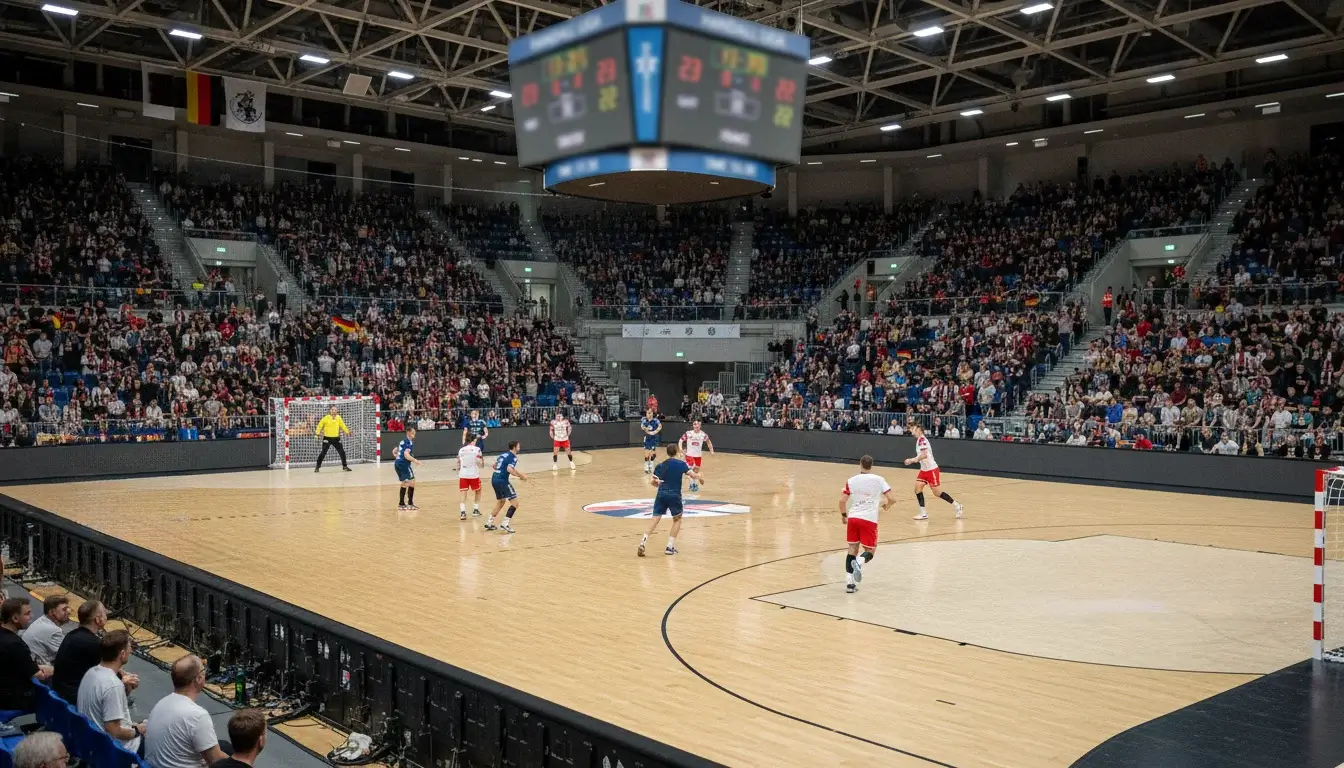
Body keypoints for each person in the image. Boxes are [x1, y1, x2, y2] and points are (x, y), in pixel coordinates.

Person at [144, 655, 226, 768]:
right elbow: (216, 762)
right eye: (203, 670)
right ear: (198, 678)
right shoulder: (197, 716)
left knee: (224, 746)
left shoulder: (161, 704)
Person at [52, 600, 137, 705]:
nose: (106, 616)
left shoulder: (72, 635)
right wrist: (124, 679)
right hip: (74, 698)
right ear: (98, 619)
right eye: (104, 613)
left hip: (59, 690)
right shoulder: (94, 644)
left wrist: (121, 673)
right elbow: (110, 675)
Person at [77, 629, 145, 754]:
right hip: (119, 749)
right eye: (129, 648)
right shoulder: (113, 685)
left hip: (91, 739)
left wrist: (125, 692)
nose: (130, 652)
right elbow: (114, 731)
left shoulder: (90, 672)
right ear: (122, 654)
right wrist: (137, 730)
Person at [839, 455, 895, 593]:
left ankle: (850, 584)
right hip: (869, 519)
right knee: (870, 550)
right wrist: (887, 506)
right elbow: (892, 498)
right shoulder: (879, 480)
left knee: (852, 548)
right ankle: (859, 562)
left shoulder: (851, 481)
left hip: (853, 518)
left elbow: (842, 501)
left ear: (860, 464)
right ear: (871, 465)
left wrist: (844, 516)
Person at [639, 443, 701, 557]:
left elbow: (653, 482)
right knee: (677, 519)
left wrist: (661, 486)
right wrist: (700, 476)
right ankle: (669, 547)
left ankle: (643, 542)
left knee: (655, 519)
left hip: (661, 494)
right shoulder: (681, 464)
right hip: (674, 495)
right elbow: (692, 475)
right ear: (677, 452)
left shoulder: (661, 465)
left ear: (667, 452)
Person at [1, 597, 52, 714]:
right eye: (27, 614)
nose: (31, 617)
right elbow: (39, 675)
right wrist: (52, 670)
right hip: (12, 699)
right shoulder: (15, 644)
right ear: (15, 618)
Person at [904, 423, 964, 520]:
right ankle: (923, 513)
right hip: (924, 470)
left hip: (931, 470)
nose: (912, 431)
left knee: (937, 493)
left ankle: (957, 505)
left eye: (914, 429)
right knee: (917, 489)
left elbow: (924, 455)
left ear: (919, 430)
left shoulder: (922, 440)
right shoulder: (919, 440)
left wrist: (912, 460)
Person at [486, 440, 528, 533]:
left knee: (501, 502)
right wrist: (521, 476)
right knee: (515, 503)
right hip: (502, 481)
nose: (519, 447)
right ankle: (505, 524)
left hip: (494, 479)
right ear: (514, 447)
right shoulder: (513, 457)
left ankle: (489, 522)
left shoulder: (503, 455)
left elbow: (494, 466)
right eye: (518, 446)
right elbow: (510, 469)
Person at [23, 594, 70, 667]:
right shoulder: (54, 630)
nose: (68, 612)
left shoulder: (42, 620)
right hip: (34, 669)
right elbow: (68, 654)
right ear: (52, 612)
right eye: (64, 609)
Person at [313, 404, 352, 473]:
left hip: (336, 438)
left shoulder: (339, 418)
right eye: (333, 410)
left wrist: (348, 432)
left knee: (342, 452)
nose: (334, 411)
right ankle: (317, 467)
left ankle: (345, 466)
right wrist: (317, 433)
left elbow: (343, 426)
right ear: (330, 411)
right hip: (327, 438)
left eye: (335, 410)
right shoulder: (326, 418)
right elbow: (319, 425)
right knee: (323, 453)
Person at [678, 419, 714, 492]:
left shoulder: (703, 434)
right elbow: (680, 440)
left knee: (696, 471)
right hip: (689, 455)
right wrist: (680, 449)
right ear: (693, 426)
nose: (696, 426)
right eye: (695, 424)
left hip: (698, 456)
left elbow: (708, 442)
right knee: (691, 470)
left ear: (700, 426)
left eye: (698, 424)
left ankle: (693, 483)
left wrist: (711, 450)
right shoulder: (688, 433)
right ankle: (692, 484)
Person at [393, 427, 423, 511]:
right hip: (404, 464)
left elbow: (395, 451)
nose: (415, 433)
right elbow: (406, 455)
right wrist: (416, 461)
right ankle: (410, 504)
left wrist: (396, 456)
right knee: (412, 482)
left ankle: (401, 504)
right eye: (413, 431)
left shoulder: (402, 441)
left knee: (405, 483)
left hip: (397, 463)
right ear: (409, 433)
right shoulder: (409, 442)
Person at [457, 434, 485, 520]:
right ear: (473, 440)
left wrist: (459, 469)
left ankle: (462, 512)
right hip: (473, 474)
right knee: (478, 490)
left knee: (463, 493)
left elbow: (458, 462)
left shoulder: (461, 450)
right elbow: (479, 462)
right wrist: (482, 464)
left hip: (463, 474)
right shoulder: (477, 449)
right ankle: (475, 510)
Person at [640, 408, 662, 474]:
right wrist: (646, 429)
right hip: (647, 439)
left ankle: (651, 463)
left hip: (654, 438)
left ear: (652, 413)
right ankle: (646, 466)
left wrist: (654, 432)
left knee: (653, 454)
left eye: (650, 413)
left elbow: (660, 426)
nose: (649, 414)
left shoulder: (656, 420)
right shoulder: (644, 420)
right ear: (646, 414)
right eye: (648, 413)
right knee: (647, 454)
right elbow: (642, 426)